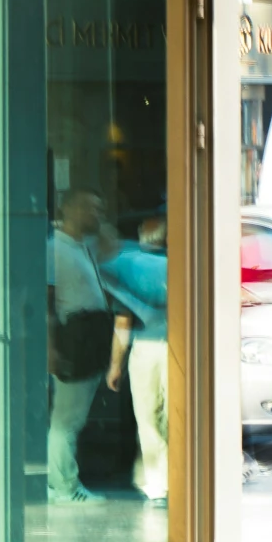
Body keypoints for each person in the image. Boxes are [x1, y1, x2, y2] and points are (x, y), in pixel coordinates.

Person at [46, 189, 115, 506]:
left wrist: (97, 226)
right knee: (66, 419)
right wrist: (51, 349)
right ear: (71, 210)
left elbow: (111, 247)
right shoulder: (54, 248)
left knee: (72, 418)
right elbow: (47, 304)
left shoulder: (80, 246)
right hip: (75, 337)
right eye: (92, 208)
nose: (98, 215)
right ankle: (64, 486)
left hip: (90, 336)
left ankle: (63, 483)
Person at [104, 217, 171, 506]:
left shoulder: (129, 266)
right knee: (172, 414)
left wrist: (115, 365)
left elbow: (123, 322)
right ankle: (172, 476)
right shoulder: (180, 263)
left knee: (147, 416)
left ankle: (156, 482)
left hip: (144, 347)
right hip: (175, 348)